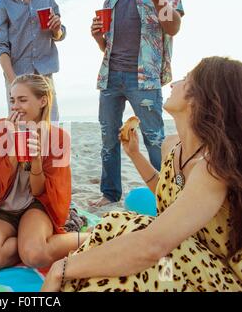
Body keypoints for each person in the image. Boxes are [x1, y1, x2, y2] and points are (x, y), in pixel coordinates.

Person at [42, 57, 242, 292]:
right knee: (117, 256)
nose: (172, 83)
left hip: (214, 276)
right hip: (171, 261)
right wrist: (135, 154)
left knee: (138, 231)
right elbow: (170, 193)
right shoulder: (172, 145)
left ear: (201, 98)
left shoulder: (213, 169)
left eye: (186, 79)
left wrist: (61, 268)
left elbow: (152, 245)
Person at [0, 74, 88, 271]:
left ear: (42, 101)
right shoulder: (0, 128)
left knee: (35, 255)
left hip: (36, 205)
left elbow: (40, 192)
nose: (15, 106)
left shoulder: (59, 138)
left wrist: (36, 162)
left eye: (22, 100)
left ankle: (91, 235)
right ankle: (27, 240)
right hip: (5, 206)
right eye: (12, 100)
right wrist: (11, 145)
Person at [90, 0, 184, 207]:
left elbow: (173, 28)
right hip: (110, 77)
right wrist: (99, 39)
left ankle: (167, 193)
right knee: (108, 140)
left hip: (144, 77)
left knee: (154, 138)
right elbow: (108, 48)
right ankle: (110, 193)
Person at [0, 0, 66, 122]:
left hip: (44, 76)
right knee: (22, 128)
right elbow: (0, 47)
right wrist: (15, 84)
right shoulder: (0, 4)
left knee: (50, 127)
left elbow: (59, 35)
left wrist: (57, 28)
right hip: (16, 76)